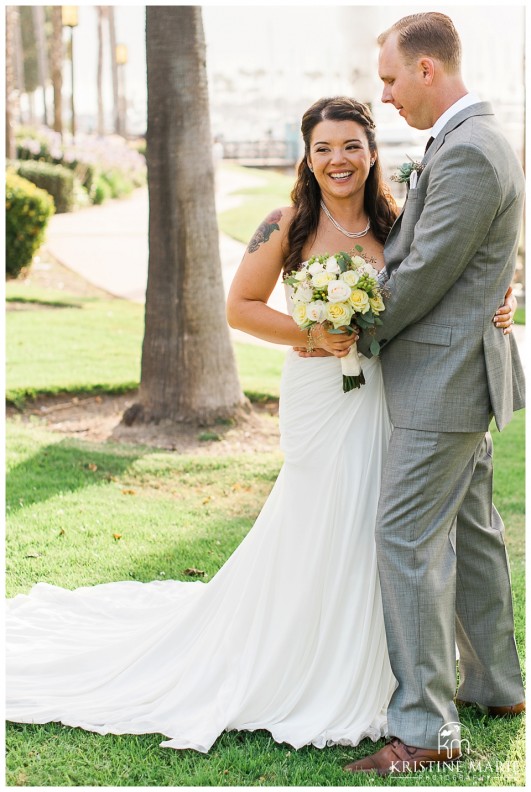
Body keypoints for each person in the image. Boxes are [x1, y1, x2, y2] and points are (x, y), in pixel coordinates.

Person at [5, 97, 516, 756]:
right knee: (318, 516)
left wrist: (502, 293)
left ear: (371, 152)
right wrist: (311, 332)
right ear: (306, 156)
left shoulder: (397, 225)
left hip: (387, 394)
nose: (338, 160)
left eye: (351, 146)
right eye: (324, 148)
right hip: (318, 393)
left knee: (377, 523)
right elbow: (239, 307)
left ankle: (377, 665)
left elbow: (453, 266)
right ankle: (302, 654)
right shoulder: (285, 225)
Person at [332, 13, 525, 776]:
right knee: (473, 534)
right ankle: (499, 687)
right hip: (455, 376)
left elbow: (424, 272)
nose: (382, 96)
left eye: (387, 78)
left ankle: (423, 730)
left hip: (442, 384)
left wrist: (356, 326)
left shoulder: (471, 150)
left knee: (406, 540)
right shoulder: (461, 143)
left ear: (424, 70)